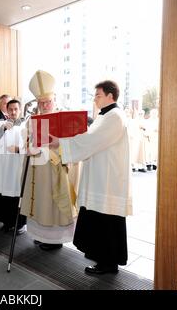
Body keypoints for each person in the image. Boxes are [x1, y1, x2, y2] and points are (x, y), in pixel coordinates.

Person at [54, 80, 133, 274]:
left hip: (107, 180)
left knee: (106, 221)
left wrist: (61, 143)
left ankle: (108, 263)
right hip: (99, 176)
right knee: (99, 220)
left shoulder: (114, 117)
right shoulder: (104, 117)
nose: (95, 99)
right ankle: (102, 258)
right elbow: (89, 140)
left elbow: (91, 141)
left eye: (98, 95)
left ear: (110, 96)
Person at [20, 70, 77, 251]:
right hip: (37, 168)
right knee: (39, 202)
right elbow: (26, 141)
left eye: (48, 102)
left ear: (55, 100)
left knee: (52, 205)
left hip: (56, 168)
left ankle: (54, 239)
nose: (45, 105)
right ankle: (40, 236)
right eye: (41, 102)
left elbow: (74, 142)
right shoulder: (31, 120)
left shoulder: (65, 117)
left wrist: (58, 146)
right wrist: (30, 146)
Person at [0, 99, 27, 235]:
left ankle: (20, 225)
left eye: (16, 109)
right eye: (10, 109)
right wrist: (3, 128)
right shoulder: (0, 124)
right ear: (7, 110)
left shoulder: (25, 125)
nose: (13, 112)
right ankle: (7, 223)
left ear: (20, 110)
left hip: (16, 166)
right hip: (3, 167)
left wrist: (18, 149)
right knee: (4, 196)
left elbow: (30, 145)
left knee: (16, 196)